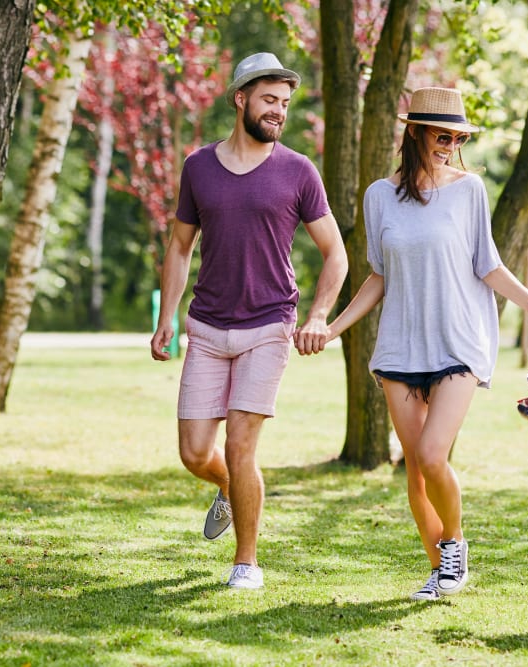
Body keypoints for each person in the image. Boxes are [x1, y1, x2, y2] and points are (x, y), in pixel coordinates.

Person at [319, 86, 528, 600]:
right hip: (400, 348)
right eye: (440, 135)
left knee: (432, 455)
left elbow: (488, 265)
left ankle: (456, 545)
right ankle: (442, 568)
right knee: (416, 471)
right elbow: (377, 276)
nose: (449, 144)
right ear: (414, 132)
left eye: (457, 137)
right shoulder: (379, 196)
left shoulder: (469, 190)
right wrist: (333, 327)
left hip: (458, 344)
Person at [150, 53, 348, 590]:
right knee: (195, 453)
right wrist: (167, 317)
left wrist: (319, 314)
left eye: (284, 103)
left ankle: (247, 562)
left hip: (269, 323)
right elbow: (180, 245)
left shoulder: (298, 170)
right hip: (208, 326)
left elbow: (337, 253)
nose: (278, 111)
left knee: (241, 446)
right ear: (240, 99)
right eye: (268, 100)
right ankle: (228, 489)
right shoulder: (199, 168)